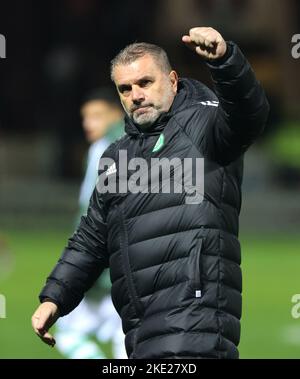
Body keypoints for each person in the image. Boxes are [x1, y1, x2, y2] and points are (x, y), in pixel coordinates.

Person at [32, 27, 269, 359]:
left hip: (195, 324)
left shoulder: (207, 126)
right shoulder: (116, 156)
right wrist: (55, 297)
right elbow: (92, 237)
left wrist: (226, 61)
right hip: (140, 328)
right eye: (125, 89)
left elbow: (250, 113)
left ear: (172, 81)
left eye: (145, 83)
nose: (136, 95)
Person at [54, 88, 127, 359]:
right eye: (86, 117)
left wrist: (82, 264)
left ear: (116, 114)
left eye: (97, 116)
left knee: (67, 332)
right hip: (128, 265)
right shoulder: (129, 143)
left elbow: (95, 214)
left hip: (104, 264)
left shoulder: (107, 149)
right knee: (129, 340)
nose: (89, 123)